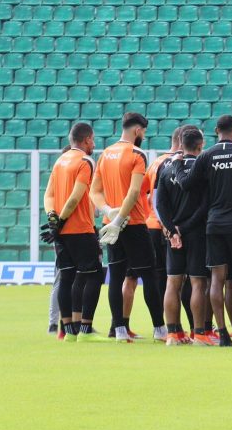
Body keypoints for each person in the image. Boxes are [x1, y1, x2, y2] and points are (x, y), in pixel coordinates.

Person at [172, 115, 232, 347]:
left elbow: (186, 184)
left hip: (214, 224)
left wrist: (178, 164)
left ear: (215, 130)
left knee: (217, 278)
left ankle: (222, 334)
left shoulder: (206, 155)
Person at [90, 112, 166, 343]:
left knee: (116, 276)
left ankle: (120, 330)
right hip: (132, 224)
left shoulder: (105, 153)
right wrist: (119, 217)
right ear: (137, 130)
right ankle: (159, 328)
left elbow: (95, 191)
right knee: (149, 276)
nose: (143, 135)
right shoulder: (136, 153)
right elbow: (134, 192)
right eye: (143, 132)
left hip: (110, 224)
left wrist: (108, 213)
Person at [120, 126, 188, 338]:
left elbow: (148, 195)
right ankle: (176, 327)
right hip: (167, 227)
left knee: (151, 278)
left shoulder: (156, 162)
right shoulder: (179, 162)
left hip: (149, 224)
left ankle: (137, 326)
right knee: (177, 278)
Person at [41, 123, 107, 342]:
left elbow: (48, 195)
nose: (94, 144)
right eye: (93, 139)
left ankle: (69, 331)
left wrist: (53, 219)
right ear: (87, 139)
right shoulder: (85, 161)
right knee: (95, 274)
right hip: (79, 228)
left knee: (67, 276)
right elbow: (76, 197)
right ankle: (86, 330)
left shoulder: (60, 160)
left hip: (61, 233)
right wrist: (60, 221)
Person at [155, 128, 212, 346]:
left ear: (180, 143)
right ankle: (199, 333)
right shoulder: (203, 167)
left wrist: (172, 230)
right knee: (198, 283)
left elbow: (160, 204)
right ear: (200, 145)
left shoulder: (166, 167)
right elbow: (205, 204)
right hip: (196, 232)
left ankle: (172, 335)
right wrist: (186, 227)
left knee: (173, 282)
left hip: (173, 235)